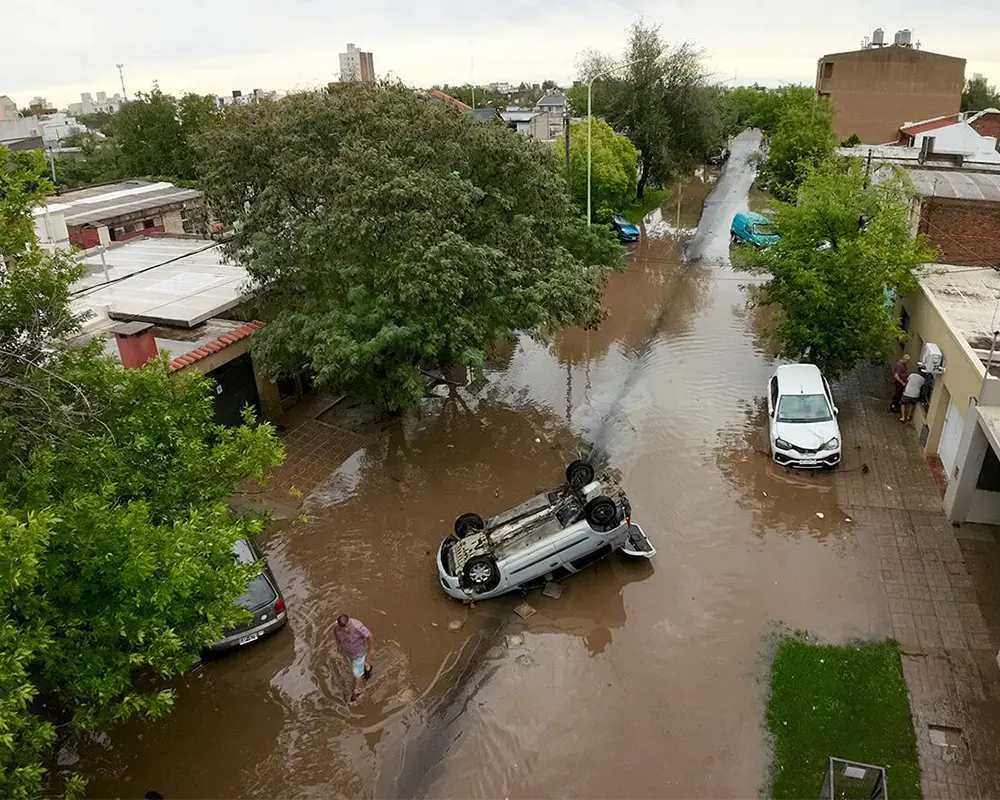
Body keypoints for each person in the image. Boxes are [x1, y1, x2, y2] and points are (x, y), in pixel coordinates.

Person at [334, 614, 373, 702]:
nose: (345, 630)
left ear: (349, 622)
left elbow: (369, 636)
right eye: (342, 628)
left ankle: (357, 690)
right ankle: (367, 667)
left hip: (358, 652)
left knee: (356, 673)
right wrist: (338, 645)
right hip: (348, 652)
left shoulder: (357, 626)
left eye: (347, 627)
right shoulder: (336, 627)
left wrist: (371, 648)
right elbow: (336, 635)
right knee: (354, 665)